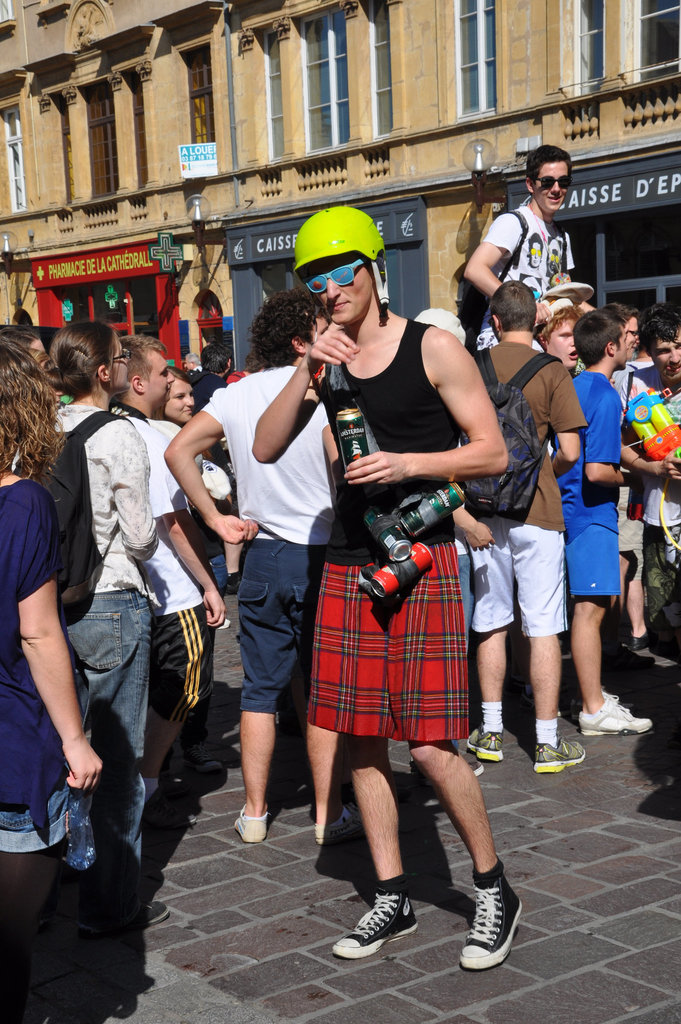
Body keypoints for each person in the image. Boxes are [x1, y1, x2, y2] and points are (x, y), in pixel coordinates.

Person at [249, 205, 521, 970]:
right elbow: (266, 448)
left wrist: (407, 464)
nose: (329, 288)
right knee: (361, 740)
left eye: (340, 273)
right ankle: (392, 894)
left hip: (425, 559)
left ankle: (493, 888)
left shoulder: (433, 346)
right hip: (346, 562)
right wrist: (307, 372)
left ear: (371, 271)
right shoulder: (324, 362)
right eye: (313, 280)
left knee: (432, 749)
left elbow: (491, 452)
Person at [166, 289, 362, 847]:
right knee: (322, 686)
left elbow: (178, 451)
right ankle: (329, 811)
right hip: (323, 550)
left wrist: (217, 519)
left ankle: (254, 813)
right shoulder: (325, 387)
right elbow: (343, 468)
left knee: (259, 689)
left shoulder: (236, 394)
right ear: (304, 338)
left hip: (263, 554)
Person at [50, 322, 166, 938]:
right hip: (111, 600)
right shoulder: (119, 431)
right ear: (104, 372)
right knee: (118, 761)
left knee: (58, 751)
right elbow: (143, 535)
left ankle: (36, 898)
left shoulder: (41, 426)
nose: (126, 366)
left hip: (48, 607)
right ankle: (109, 905)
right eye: (122, 358)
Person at [0, 340, 102, 1023]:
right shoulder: (25, 504)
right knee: (10, 938)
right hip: (12, 742)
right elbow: (37, 632)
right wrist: (76, 739)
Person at [466, 281, 587, 772]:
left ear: (494, 321)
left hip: (482, 511)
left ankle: (491, 731)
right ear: (533, 322)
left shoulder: (473, 368)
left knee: (491, 619)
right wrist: (540, 473)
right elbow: (572, 452)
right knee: (541, 626)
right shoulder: (552, 370)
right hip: (536, 512)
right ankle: (546, 741)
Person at [111, 336, 226, 826]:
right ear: (138, 383)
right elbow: (174, 522)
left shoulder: (117, 428)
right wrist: (209, 583)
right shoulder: (151, 439)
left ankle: (141, 782)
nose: (172, 380)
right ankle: (146, 786)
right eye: (162, 374)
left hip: (139, 586)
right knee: (182, 688)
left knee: (154, 691)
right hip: (169, 587)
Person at [558, 308, 653, 736]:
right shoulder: (603, 391)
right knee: (590, 613)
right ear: (611, 347)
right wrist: (633, 475)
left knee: (587, 611)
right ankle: (594, 708)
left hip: (575, 511)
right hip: (593, 514)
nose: (635, 341)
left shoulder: (577, 385)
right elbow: (597, 470)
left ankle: (591, 694)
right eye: (627, 338)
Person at [464, 145, 575, 349]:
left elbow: (564, 293)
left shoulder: (562, 236)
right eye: (548, 182)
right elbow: (474, 270)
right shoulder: (515, 223)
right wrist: (525, 305)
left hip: (543, 341)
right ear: (530, 185)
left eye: (564, 181)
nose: (557, 189)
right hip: (504, 339)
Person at [620, 302, 681, 660]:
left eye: (678, 346)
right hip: (660, 518)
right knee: (671, 617)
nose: (673, 357)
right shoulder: (638, 386)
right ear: (650, 352)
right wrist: (653, 469)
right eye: (663, 350)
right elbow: (621, 446)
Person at [537, 304, 582, 374]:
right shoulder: (537, 377)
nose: (574, 342)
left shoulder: (589, 373)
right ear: (543, 340)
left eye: (577, 334)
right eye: (565, 336)